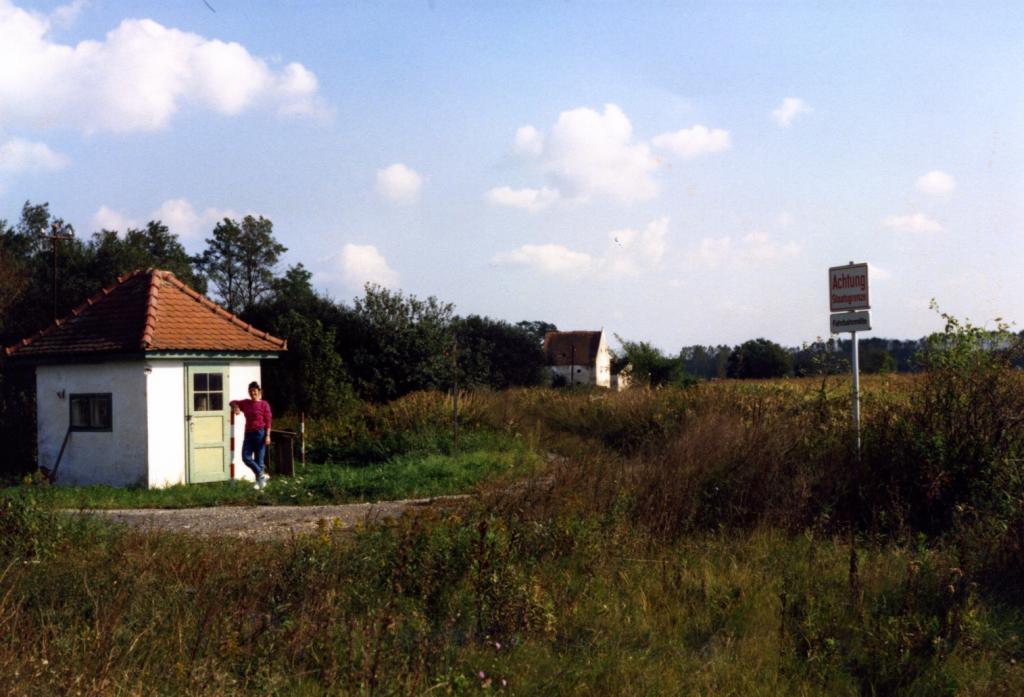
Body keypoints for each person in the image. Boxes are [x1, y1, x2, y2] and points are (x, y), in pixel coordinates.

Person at [230, 381, 273, 490]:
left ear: (259, 391)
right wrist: (236, 407)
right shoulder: (246, 403)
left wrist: (268, 435)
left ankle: (260, 484)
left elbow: (268, 421)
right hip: (248, 434)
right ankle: (261, 475)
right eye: (250, 391)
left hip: (260, 434)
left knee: (259, 460)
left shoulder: (264, 404)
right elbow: (232, 402)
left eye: (254, 390)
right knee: (246, 457)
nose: (252, 392)